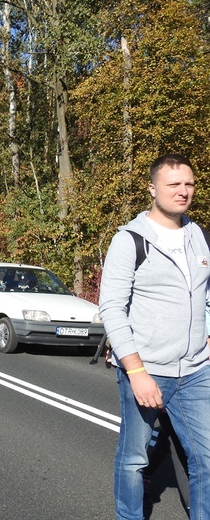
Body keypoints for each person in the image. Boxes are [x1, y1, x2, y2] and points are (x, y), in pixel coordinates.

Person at [99, 153, 210, 520]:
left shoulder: (200, 237)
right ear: (152, 189)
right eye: (174, 184)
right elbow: (112, 309)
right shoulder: (130, 240)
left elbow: (207, 298)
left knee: (205, 458)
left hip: (196, 370)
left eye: (189, 184)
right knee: (134, 458)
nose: (183, 191)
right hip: (148, 369)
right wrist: (136, 371)